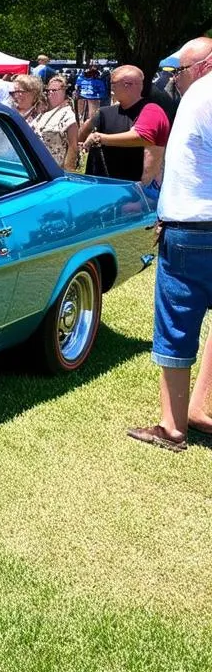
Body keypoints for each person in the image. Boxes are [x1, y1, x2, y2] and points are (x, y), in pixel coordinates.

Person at [127, 36, 212, 453]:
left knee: (176, 323)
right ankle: (199, 408)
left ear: (202, 65)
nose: (172, 79)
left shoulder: (204, 93)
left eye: (178, 70)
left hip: (194, 228)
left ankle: (173, 426)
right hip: (194, 224)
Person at [80, 65, 170, 191]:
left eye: (113, 83)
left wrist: (99, 137)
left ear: (128, 84)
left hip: (137, 194)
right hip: (101, 187)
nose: (111, 87)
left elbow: (143, 136)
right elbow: (82, 135)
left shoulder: (151, 110)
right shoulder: (105, 113)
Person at [31, 73, 79, 171]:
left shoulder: (68, 114)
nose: (50, 93)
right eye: (48, 90)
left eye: (54, 90)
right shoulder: (42, 112)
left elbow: (73, 146)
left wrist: (68, 171)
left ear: (64, 91)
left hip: (54, 168)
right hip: (36, 165)